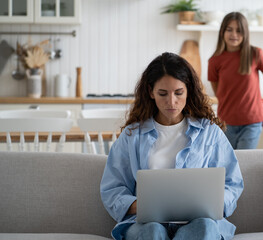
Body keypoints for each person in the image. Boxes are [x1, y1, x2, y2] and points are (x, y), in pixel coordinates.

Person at [100, 52, 243, 240]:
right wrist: (142, 205)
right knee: (153, 231)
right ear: (151, 92)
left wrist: (215, 203)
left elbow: (232, 183)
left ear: (188, 90)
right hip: (147, 224)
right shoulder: (132, 136)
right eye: (163, 93)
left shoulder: (209, 133)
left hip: (197, 222)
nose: (171, 102)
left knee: (205, 228)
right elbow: (113, 187)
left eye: (178, 93)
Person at [208, 12, 263, 150]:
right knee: (229, 164)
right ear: (222, 32)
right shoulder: (215, 60)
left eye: (239, 30)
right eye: (229, 29)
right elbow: (218, 91)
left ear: (245, 33)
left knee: (244, 163)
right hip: (226, 123)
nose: (234, 34)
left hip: (252, 122)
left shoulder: (255, 54)